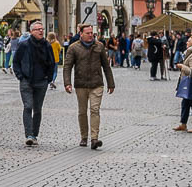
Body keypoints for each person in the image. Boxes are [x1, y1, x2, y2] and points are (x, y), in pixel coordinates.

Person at [62, 23, 115, 149]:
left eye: (92, 33)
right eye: (88, 33)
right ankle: (84, 137)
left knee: (94, 110)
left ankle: (94, 138)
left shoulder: (99, 46)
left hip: (96, 83)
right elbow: (67, 66)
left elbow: (106, 66)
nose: (91, 35)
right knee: (82, 111)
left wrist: (111, 83)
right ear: (81, 34)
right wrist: (67, 83)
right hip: (80, 84)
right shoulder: (73, 48)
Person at [12, 20, 55, 148]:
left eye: (42, 29)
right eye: (38, 29)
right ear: (31, 32)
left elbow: (52, 63)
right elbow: (16, 62)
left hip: (41, 81)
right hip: (26, 81)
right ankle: (29, 135)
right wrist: (20, 76)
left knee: (37, 109)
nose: (41, 31)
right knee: (28, 106)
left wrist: (48, 78)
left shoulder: (47, 45)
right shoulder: (24, 45)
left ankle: (35, 134)